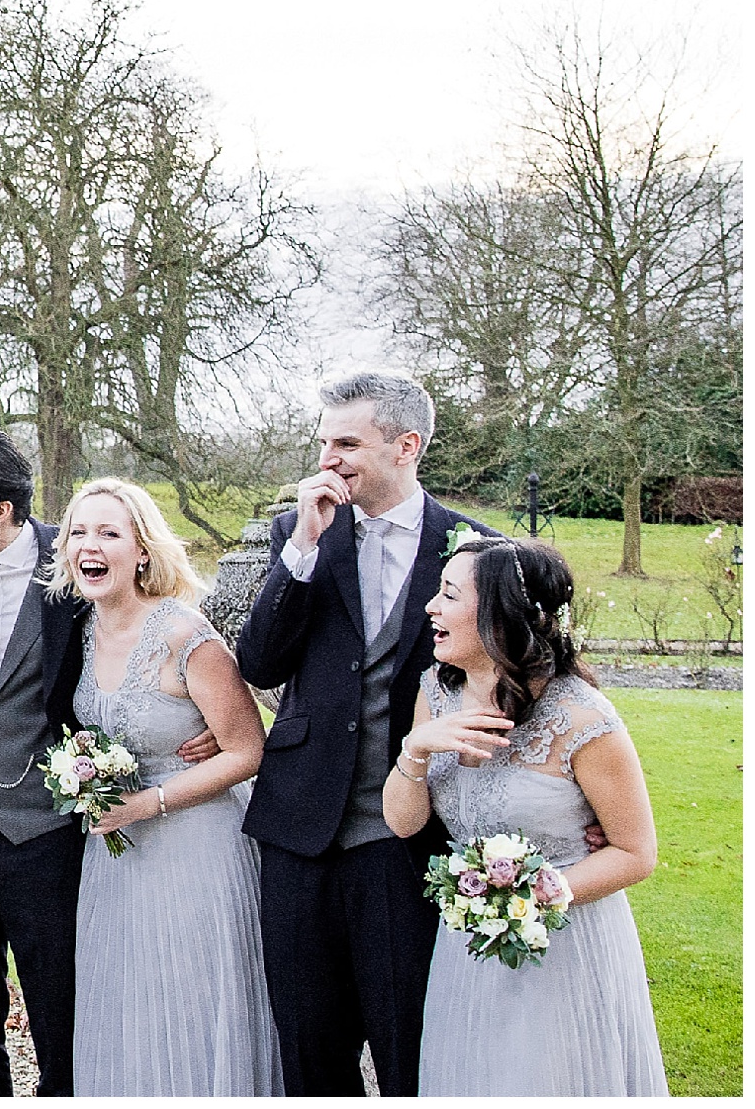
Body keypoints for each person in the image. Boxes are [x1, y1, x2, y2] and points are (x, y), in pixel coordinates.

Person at [0, 427, 210, 1096]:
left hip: (49, 834)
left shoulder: (80, 559)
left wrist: (205, 723)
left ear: (0, 511)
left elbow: (155, 630)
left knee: (63, 1016)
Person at [235, 370, 498, 1095]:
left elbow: (521, 687)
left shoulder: (477, 548)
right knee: (309, 1052)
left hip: (412, 838)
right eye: (324, 443)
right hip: (300, 828)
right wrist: (302, 552)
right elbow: (259, 662)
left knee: (408, 1042)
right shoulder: (298, 532)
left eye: (347, 443)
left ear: (406, 445)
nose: (329, 460)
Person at [384, 537, 667, 1095]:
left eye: (448, 595)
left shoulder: (582, 717)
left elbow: (637, 853)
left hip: (565, 942)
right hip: (468, 943)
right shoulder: (435, 692)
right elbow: (403, 822)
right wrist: (415, 750)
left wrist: (528, 896)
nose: (429, 608)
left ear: (498, 613)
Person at [56, 478, 281, 1096]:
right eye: (78, 532)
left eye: (109, 532)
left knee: (190, 999)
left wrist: (149, 800)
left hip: (195, 849)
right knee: (124, 1002)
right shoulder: (76, 631)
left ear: (143, 550)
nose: (89, 545)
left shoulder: (185, 635)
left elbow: (246, 748)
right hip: (116, 854)